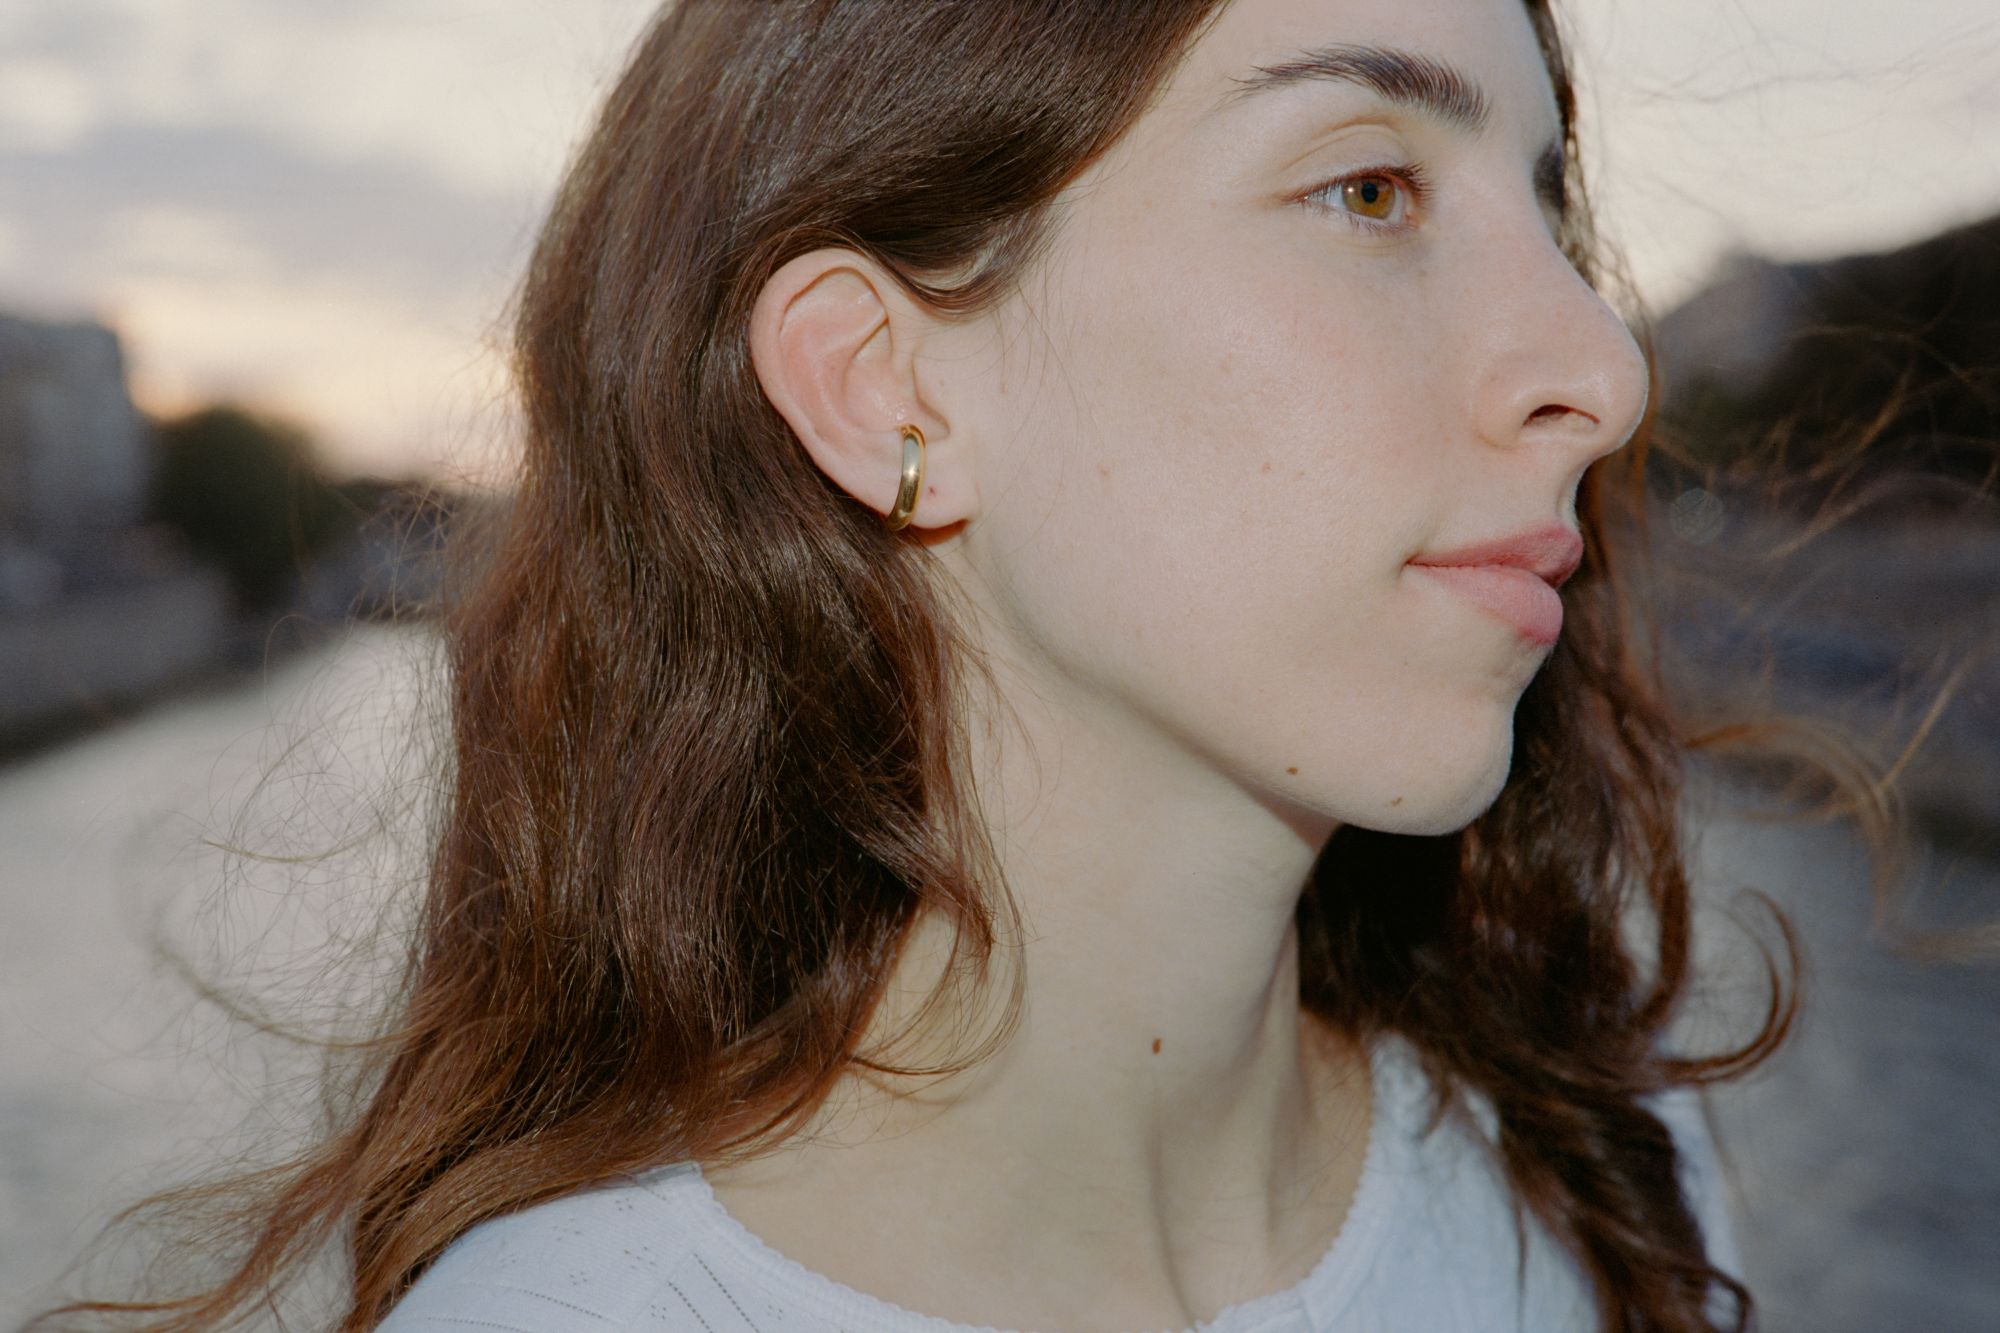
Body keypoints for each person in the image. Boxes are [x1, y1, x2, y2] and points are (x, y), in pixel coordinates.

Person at [42, 1, 1791, 1330]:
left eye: (1547, 206)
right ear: (886, 388)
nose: (1603, 367)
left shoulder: (1611, 1178)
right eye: (1370, 189)